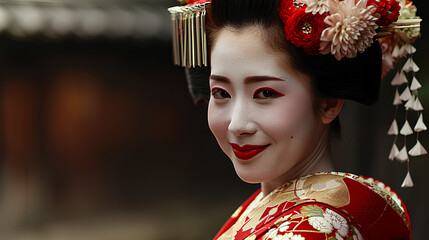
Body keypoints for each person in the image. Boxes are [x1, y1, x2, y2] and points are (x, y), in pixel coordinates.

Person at [169, 0, 418, 239]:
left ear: (328, 102)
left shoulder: (312, 229)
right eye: (221, 93)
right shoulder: (275, 207)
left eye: (265, 93)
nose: (237, 125)